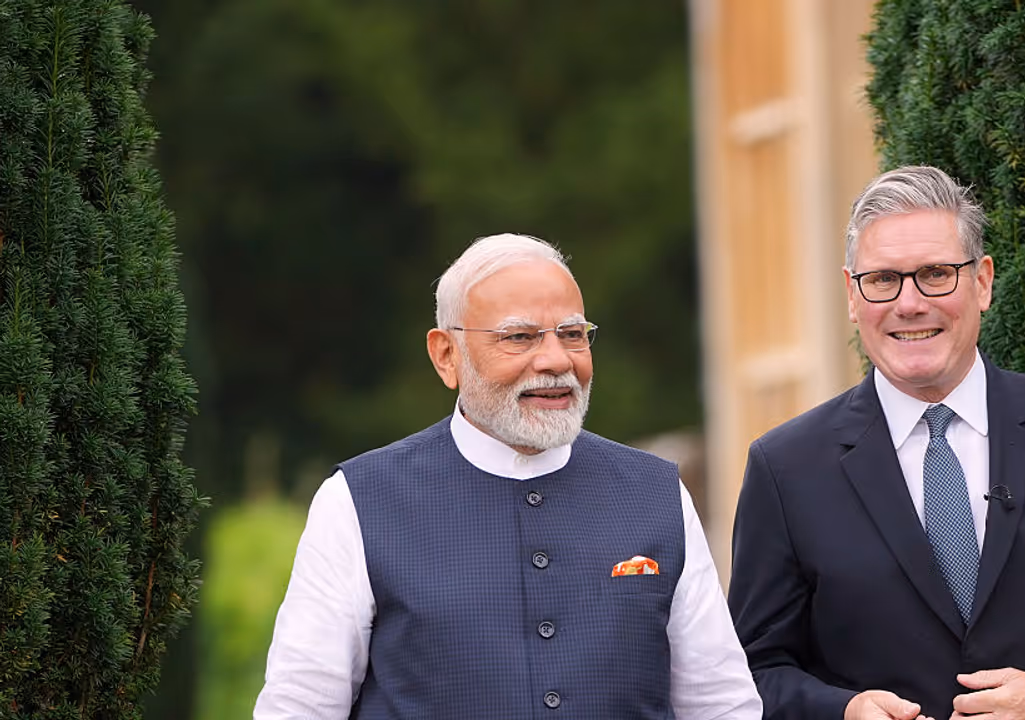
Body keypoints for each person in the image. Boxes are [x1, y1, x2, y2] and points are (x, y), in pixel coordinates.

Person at [727, 166, 1025, 720]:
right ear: (853, 296)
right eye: (882, 280)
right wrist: (844, 711)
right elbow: (750, 674)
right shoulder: (785, 468)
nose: (909, 303)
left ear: (982, 282)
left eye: (935, 274)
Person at [256, 233, 762, 719]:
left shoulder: (655, 494)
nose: (555, 360)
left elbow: (722, 705)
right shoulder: (358, 502)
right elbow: (300, 706)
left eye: (572, 334)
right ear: (446, 356)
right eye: (519, 337)